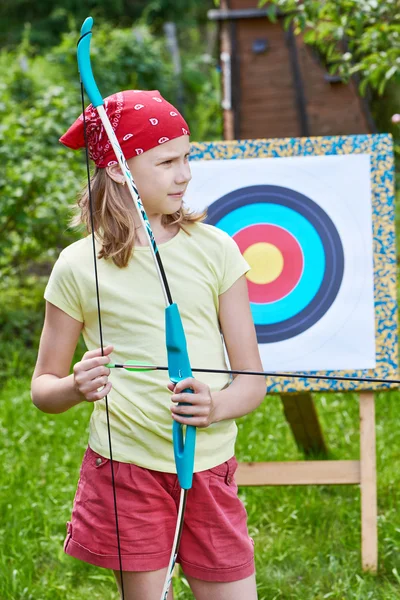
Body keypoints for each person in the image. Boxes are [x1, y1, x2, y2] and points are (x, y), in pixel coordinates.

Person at [31, 89, 266, 600]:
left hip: (209, 469)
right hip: (127, 474)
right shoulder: (77, 266)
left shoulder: (216, 250)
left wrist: (217, 405)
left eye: (187, 157)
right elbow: (42, 389)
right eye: (166, 161)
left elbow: (253, 381)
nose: (184, 174)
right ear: (117, 168)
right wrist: (75, 385)